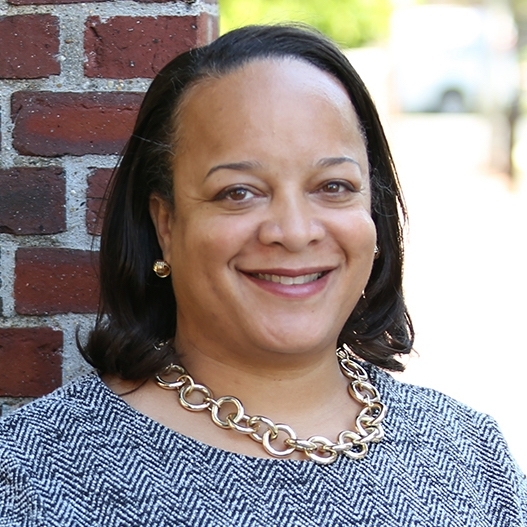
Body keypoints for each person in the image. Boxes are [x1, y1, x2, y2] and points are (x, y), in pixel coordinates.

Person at [0, 24, 525, 526]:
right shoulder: (31, 476)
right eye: (239, 192)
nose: (294, 232)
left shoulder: (472, 454)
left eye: (334, 186)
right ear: (165, 225)